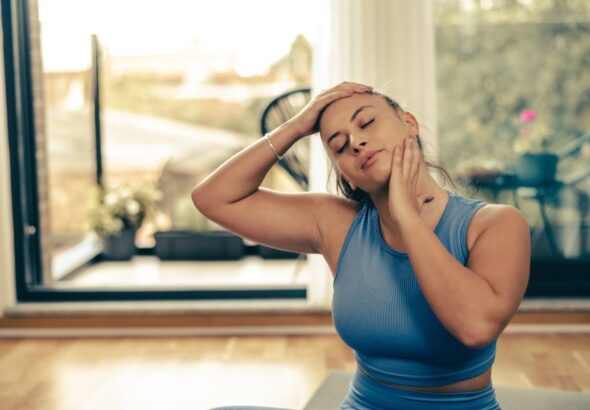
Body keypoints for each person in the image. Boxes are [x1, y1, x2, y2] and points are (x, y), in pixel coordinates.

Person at [195, 81, 531, 410]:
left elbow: (475, 327)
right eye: (339, 146)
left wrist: (408, 219)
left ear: (409, 123)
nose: (355, 141)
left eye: (366, 122)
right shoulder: (335, 224)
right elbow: (214, 199)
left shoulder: (494, 224)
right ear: (347, 176)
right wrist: (296, 127)